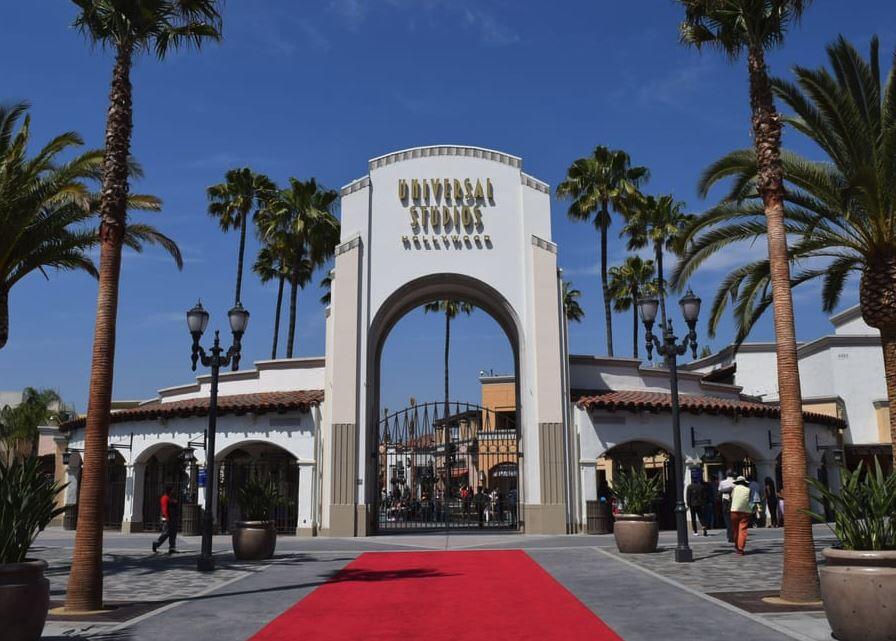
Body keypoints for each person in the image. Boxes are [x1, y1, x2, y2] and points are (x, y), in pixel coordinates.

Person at [152, 485, 179, 554]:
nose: (174, 491)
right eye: (172, 490)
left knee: (173, 533)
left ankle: (172, 548)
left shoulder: (172, 498)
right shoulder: (165, 498)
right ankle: (156, 544)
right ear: (169, 491)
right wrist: (167, 518)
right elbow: (164, 509)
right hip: (168, 519)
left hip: (174, 519)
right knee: (166, 533)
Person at [729, 476, 752, 555]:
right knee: (742, 530)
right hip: (745, 511)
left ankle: (736, 546)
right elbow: (749, 499)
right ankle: (741, 548)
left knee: (735, 530)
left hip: (734, 511)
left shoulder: (734, 489)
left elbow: (731, 497)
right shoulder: (748, 490)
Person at [718, 469, 736, 542]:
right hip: (734, 501)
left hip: (725, 501)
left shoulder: (722, 482)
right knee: (734, 519)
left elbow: (719, 492)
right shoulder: (736, 482)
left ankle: (730, 536)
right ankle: (735, 535)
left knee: (727, 520)